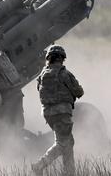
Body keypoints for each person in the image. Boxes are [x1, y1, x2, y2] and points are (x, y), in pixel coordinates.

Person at [32, 45, 84, 176]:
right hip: (62, 113)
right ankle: (40, 165)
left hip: (48, 114)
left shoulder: (42, 75)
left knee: (68, 142)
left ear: (49, 58)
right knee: (62, 143)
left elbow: (40, 90)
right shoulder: (65, 74)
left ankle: (70, 172)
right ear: (62, 58)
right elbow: (79, 92)